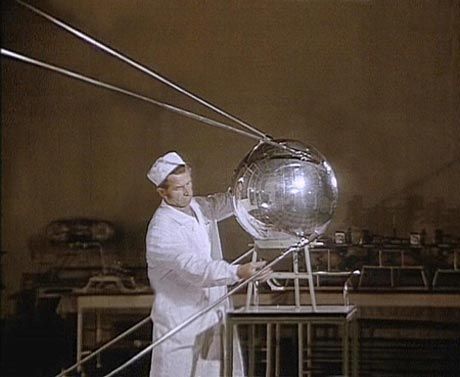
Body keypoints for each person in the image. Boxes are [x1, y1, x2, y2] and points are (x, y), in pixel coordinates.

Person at [145, 151, 271, 377]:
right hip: (181, 324)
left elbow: (219, 204)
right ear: (162, 192)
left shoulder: (196, 207)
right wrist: (237, 272)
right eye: (179, 188)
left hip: (212, 315)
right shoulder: (161, 230)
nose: (187, 191)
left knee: (218, 371)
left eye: (189, 183)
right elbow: (194, 268)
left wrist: (246, 193)